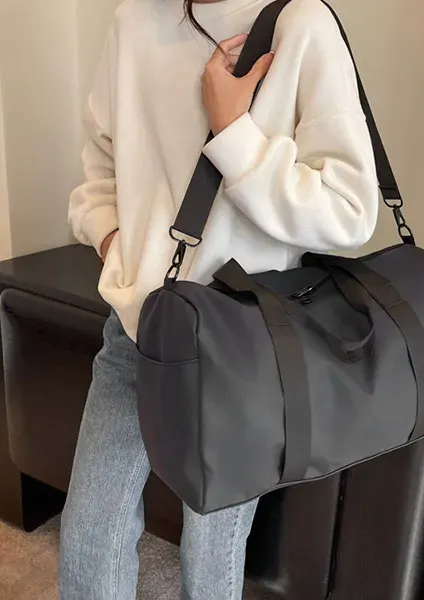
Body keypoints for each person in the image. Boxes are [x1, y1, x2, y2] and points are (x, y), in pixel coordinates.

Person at [59, 0, 379, 598]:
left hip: (246, 343)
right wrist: (113, 242)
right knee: (89, 536)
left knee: (211, 560)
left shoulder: (301, 24)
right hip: (140, 327)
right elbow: (101, 163)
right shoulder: (135, 20)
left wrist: (234, 134)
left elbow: (349, 211)